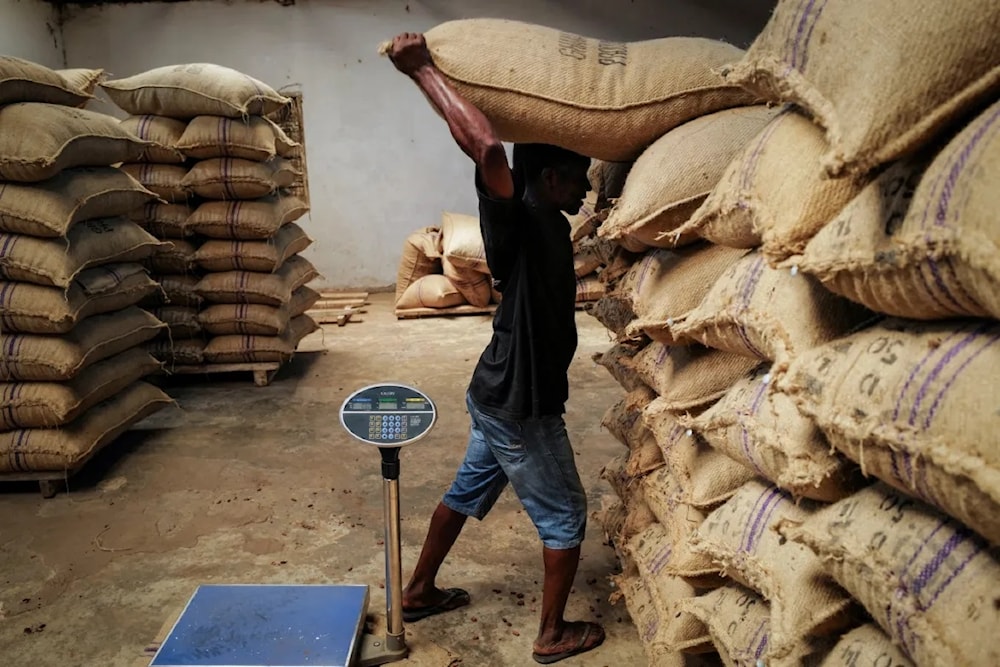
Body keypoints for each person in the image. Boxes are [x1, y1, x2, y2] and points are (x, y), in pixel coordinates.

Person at [387, 32, 605, 665]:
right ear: (549, 176)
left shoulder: (553, 223)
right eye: (581, 176)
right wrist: (422, 70)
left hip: (493, 392)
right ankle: (551, 634)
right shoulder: (516, 218)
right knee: (566, 514)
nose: (588, 186)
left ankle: (421, 589)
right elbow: (485, 146)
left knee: (465, 492)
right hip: (520, 403)